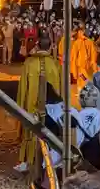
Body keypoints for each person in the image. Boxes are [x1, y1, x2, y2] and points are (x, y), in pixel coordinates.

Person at [15, 36, 61, 172]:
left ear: (37, 45)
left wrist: (20, 105)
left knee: (31, 130)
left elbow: (23, 87)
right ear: (50, 46)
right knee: (49, 131)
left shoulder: (29, 62)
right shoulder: (55, 63)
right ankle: (50, 160)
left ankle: (28, 161)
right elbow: (60, 88)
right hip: (51, 107)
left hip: (31, 105)